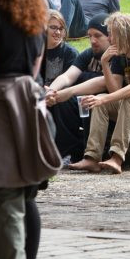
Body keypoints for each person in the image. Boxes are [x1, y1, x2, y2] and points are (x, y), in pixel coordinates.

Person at [0, 0, 47, 259]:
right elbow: (32, 74)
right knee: (17, 199)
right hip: (24, 111)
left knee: (2, 201)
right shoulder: (35, 21)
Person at [69, 13, 130, 174]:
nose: (109, 39)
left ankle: (117, 158)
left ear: (124, 34)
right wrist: (104, 63)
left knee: (128, 99)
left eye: (112, 34)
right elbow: (115, 91)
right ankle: (92, 158)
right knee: (101, 99)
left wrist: (104, 100)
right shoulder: (119, 56)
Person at [45, 14, 112, 163]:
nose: (92, 41)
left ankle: (73, 153)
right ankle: (63, 153)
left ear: (110, 36)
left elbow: (104, 82)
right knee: (60, 102)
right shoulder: (89, 54)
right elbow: (67, 77)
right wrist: (50, 92)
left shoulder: (116, 55)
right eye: (89, 36)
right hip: (86, 101)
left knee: (69, 101)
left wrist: (68, 92)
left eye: (98, 36)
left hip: (108, 101)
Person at [41, 10, 78, 87]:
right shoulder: (35, 49)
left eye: (61, 29)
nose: (58, 32)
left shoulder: (70, 53)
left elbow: (71, 84)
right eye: (53, 27)